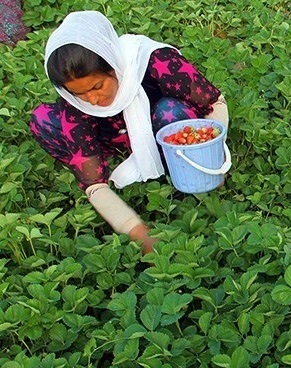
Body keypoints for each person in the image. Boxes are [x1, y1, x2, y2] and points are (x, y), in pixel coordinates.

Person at [30, 11, 229, 253]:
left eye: (97, 86)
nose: (92, 99)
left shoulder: (155, 61)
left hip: (164, 128)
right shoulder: (77, 105)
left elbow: (214, 102)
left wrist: (213, 158)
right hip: (115, 138)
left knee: (171, 111)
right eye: (79, 94)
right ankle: (116, 161)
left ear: (112, 64)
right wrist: (136, 231)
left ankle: (179, 166)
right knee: (44, 118)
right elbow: (95, 186)